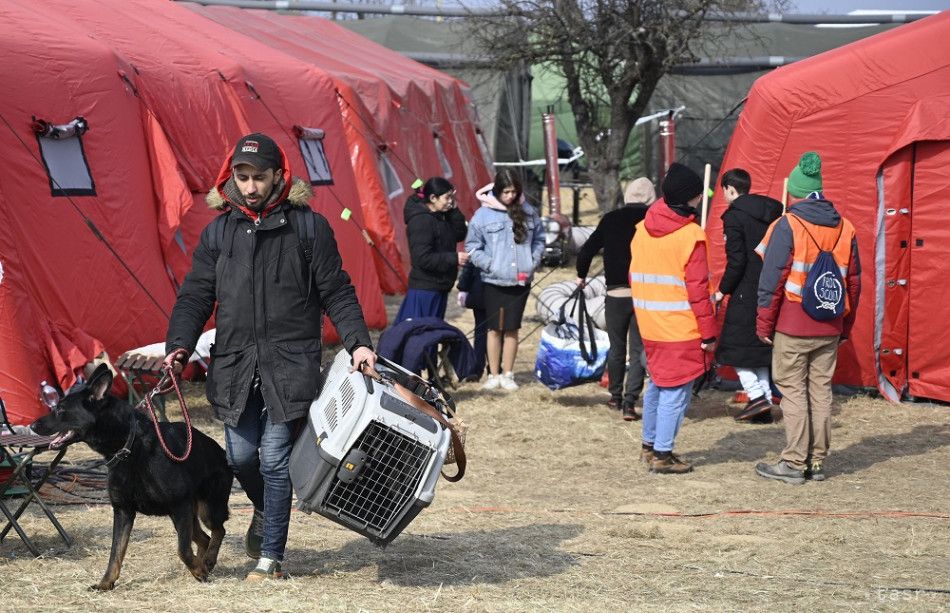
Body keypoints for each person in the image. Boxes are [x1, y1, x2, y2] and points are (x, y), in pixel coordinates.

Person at [163, 132, 376, 580]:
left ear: (280, 175)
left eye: (260, 177)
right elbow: (195, 296)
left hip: (291, 363)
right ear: (231, 177)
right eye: (242, 177)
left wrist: (358, 343)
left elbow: (337, 291)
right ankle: (265, 509)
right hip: (235, 364)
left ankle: (271, 557)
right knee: (241, 458)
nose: (251, 186)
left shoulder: (309, 227)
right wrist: (179, 346)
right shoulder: (218, 233)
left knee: (274, 458)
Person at [754, 151, 860, 485]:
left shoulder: (788, 225)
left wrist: (763, 323)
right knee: (821, 392)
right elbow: (854, 283)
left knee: (792, 392)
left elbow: (771, 279)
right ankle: (817, 462)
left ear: (794, 192)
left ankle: (793, 462)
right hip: (829, 324)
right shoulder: (846, 228)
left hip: (793, 324)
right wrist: (845, 325)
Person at [630, 163, 718, 474]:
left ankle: (649, 445)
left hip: (650, 324)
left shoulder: (642, 229)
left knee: (657, 385)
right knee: (676, 392)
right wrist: (709, 334)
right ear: (689, 199)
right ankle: (663, 454)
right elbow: (698, 292)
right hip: (680, 327)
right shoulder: (691, 236)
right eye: (697, 196)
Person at [575, 177, 655, 421]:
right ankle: (631, 403)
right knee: (639, 349)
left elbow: (587, 249)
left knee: (617, 347)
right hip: (644, 294)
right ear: (652, 197)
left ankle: (615, 397)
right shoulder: (653, 220)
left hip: (616, 294)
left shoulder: (610, 219)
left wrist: (581, 275)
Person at [713, 169, 783, 423]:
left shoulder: (734, 217)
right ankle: (763, 405)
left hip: (744, 290)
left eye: (724, 191)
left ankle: (755, 396)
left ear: (731, 189)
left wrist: (723, 290)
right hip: (769, 289)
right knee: (758, 350)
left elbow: (736, 261)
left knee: (735, 349)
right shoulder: (772, 213)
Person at [465, 169, 545, 391]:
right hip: (492, 280)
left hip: (520, 280)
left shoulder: (528, 212)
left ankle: (508, 374)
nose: (510, 196)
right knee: (494, 328)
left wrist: (532, 260)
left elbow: (539, 239)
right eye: (506, 192)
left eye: (514, 191)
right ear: (497, 191)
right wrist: (489, 264)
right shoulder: (483, 215)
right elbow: (472, 246)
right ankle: (493, 373)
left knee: (512, 328)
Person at [395, 177, 469, 324]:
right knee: (419, 335)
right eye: (447, 197)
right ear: (433, 198)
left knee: (432, 334)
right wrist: (454, 258)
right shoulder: (421, 221)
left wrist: (453, 209)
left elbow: (459, 233)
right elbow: (422, 258)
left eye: (452, 197)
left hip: (440, 286)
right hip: (425, 289)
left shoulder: (443, 216)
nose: (450, 201)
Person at [457, 260, 488, 379]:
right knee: (481, 331)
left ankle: (495, 370)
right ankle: (476, 368)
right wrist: (463, 287)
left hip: (500, 290)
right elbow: (471, 259)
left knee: (496, 332)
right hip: (479, 289)